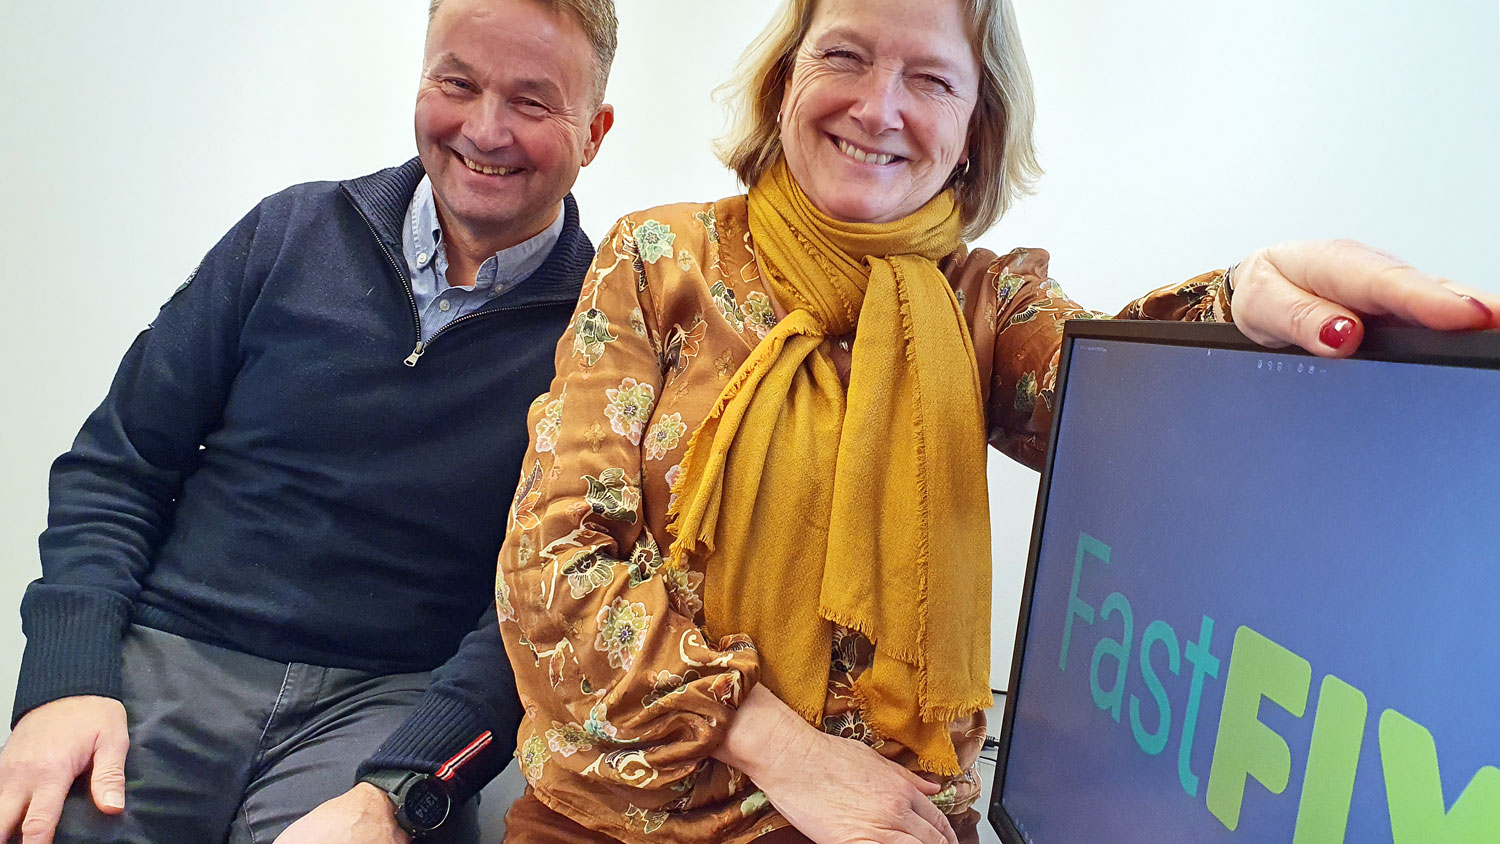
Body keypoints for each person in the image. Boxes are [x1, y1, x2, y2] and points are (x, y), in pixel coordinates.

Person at [489, 0, 1499, 842]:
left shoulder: (985, 306)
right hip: (619, 817)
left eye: (930, 79)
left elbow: (1124, 413)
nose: (879, 107)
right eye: (844, 55)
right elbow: (551, 561)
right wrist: (783, 749)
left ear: (976, 123)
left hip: (899, 822)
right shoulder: (658, 256)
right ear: (784, 81)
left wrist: (1238, 303)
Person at [0, 1, 617, 842]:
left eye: (532, 103)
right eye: (457, 82)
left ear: (596, 131)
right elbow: (118, 465)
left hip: (389, 703)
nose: (484, 128)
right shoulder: (286, 234)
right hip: (176, 659)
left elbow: (545, 605)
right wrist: (63, 684)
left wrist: (407, 787)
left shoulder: (609, 334)